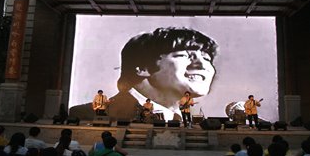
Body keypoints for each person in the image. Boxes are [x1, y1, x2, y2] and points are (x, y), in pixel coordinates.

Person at [70, 27, 218, 122]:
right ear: (142, 67)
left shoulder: (180, 117)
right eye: (184, 55)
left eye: (207, 59)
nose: (202, 64)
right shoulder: (84, 114)